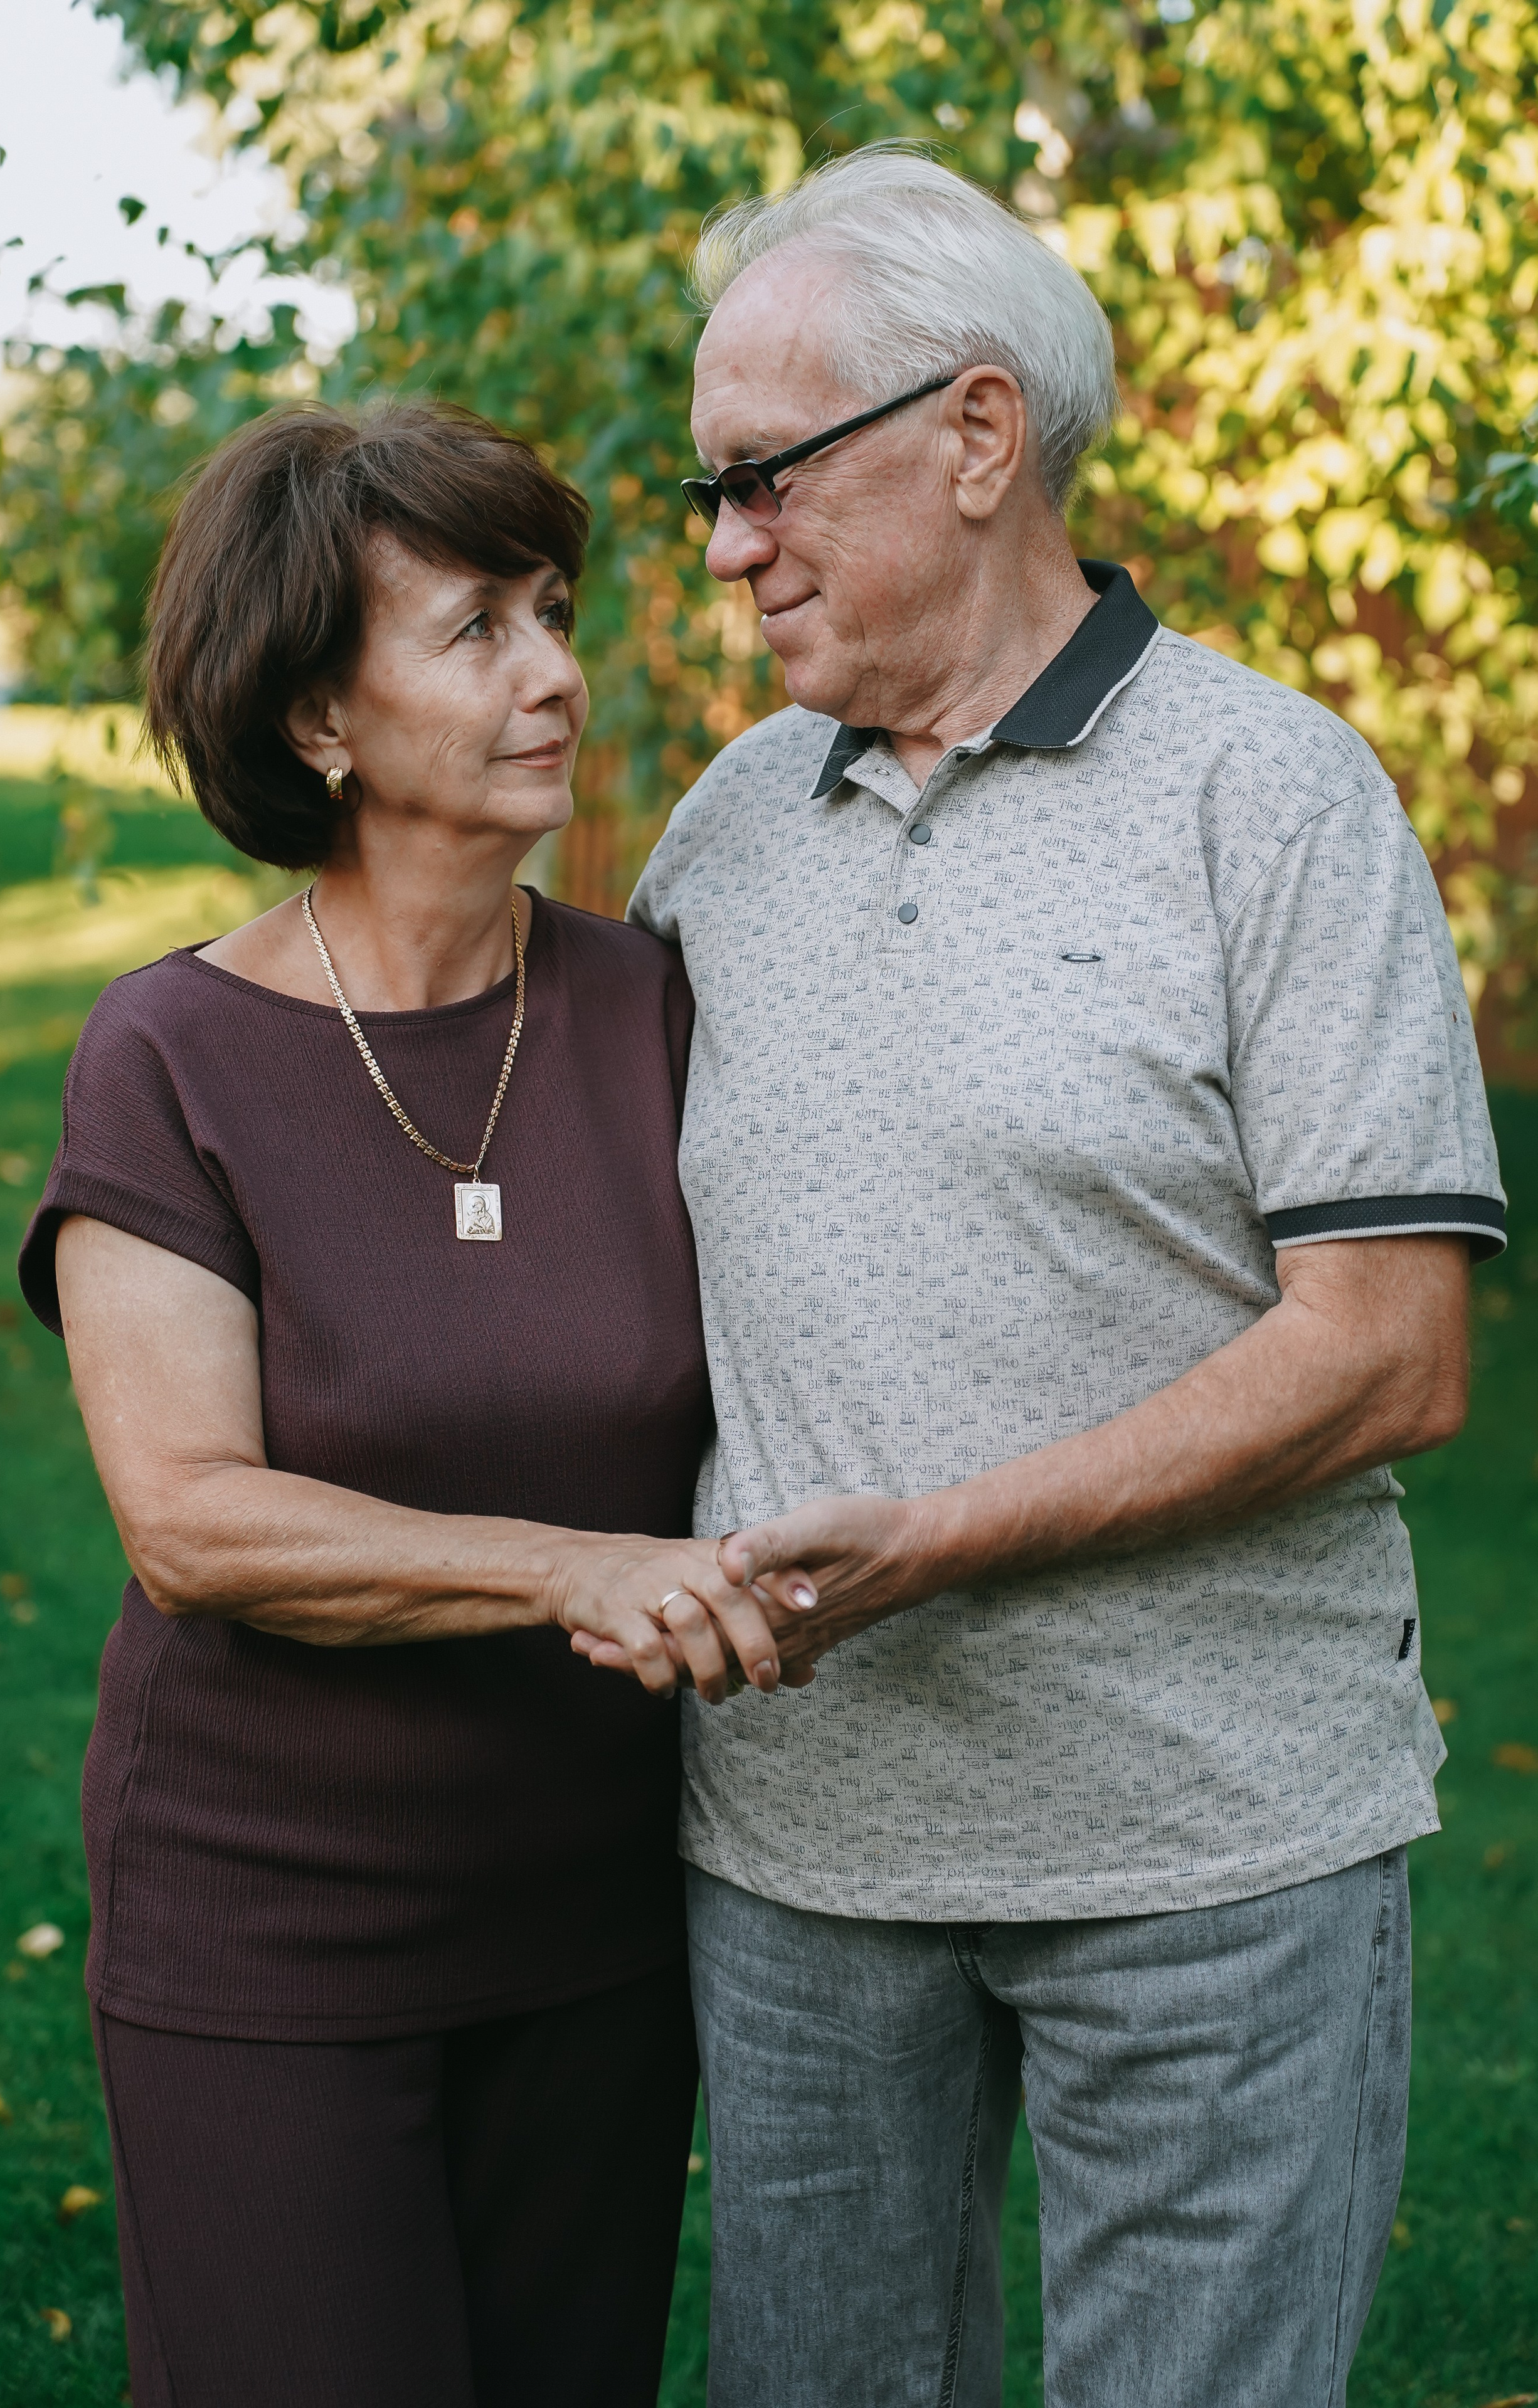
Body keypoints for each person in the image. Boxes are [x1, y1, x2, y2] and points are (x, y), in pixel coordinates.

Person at [611, 147, 1507, 2407]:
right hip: (805, 1855)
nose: (725, 548)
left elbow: (1392, 1356)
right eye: (708, 498)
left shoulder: (1272, 799)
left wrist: (938, 1540)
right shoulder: (720, 834)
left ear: (979, 434)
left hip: (1216, 1852)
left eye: (761, 482)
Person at [16, 399, 791, 2408]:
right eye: (475, 630)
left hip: (600, 1928)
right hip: (270, 1935)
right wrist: (575, 1569)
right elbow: (189, 1516)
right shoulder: (172, 1054)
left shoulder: (654, 1006)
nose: (555, 672)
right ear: (318, 723)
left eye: (553, 611)